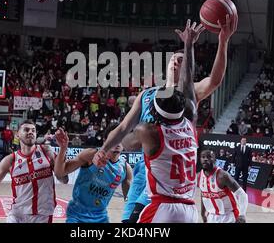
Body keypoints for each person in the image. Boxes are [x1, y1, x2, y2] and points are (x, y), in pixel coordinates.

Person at [94, 15, 237, 221]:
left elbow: (215, 80)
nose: (175, 63)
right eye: (173, 59)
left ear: (187, 67)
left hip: (167, 182)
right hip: (146, 171)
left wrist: (222, 41)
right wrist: (104, 149)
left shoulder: (190, 96)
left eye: (181, 60)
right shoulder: (147, 94)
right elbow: (124, 127)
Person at [122, 88, 198, 223]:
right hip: (190, 209)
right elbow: (189, 88)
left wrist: (136, 115)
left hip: (163, 207)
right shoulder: (191, 123)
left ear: (154, 110)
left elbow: (126, 143)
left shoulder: (149, 131)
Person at [0, 120, 68, 223]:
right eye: (26, 130)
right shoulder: (10, 160)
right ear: (17, 135)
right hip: (17, 215)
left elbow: (63, 180)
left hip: (42, 215)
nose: (30, 132)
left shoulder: (47, 152)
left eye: (33, 130)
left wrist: (63, 150)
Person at [54, 125, 132, 223]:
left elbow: (129, 199)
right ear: (105, 140)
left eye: (121, 139)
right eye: (114, 139)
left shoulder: (126, 168)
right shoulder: (91, 154)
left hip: (101, 217)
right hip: (77, 216)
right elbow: (60, 172)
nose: (118, 143)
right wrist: (63, 148)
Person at [198, 150, 248, 223]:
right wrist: (202, 213)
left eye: (209, 157)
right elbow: (203, 195)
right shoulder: (199, 175)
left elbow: (242, 194)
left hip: (229, 216)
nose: (205, 159)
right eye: (203, 157)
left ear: (215, 160)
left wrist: (242, 214)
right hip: (212, 217)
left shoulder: (222, 176)